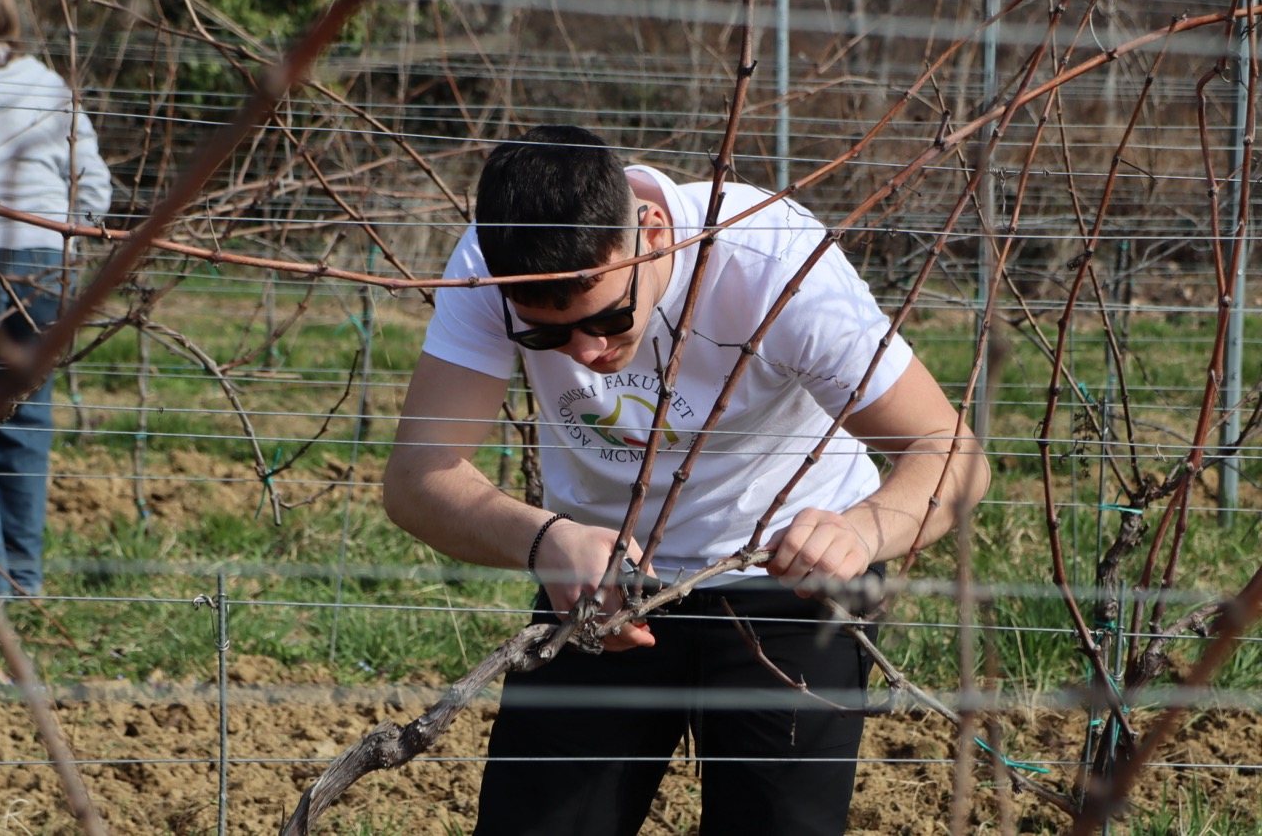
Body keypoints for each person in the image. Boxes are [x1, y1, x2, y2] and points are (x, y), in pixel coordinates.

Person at [383, 124, 988, 835]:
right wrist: (548, 541)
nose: (588, 352)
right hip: (599, 590)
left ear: (655, 231)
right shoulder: (494, 269)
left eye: (609, 316)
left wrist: (858, 531)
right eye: (547, 335)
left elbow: (950, 452)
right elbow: (418, 477)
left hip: (788, 582)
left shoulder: (772, 259)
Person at [0, 0, 112, 597]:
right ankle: (24, 581)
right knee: (26, 419)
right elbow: (91, 184)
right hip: (39, 256)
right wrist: (69, 243)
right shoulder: (47, 84)